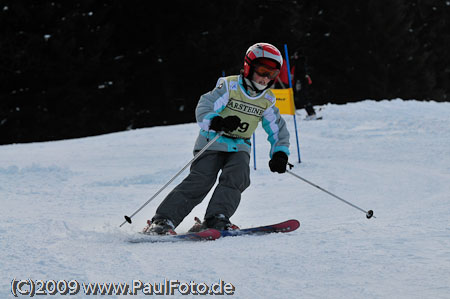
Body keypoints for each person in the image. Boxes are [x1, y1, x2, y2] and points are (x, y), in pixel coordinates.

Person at [143, 42, 291, 235]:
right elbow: (206, 105)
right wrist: (216, 121)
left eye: (271, 75)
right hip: (213, 141)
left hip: (240, 146)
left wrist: (280, 153)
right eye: (262, 71)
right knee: (201, 180)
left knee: (237, 178)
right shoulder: (229, 86)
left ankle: (216, 218)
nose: (265, 78)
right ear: (248, 67)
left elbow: (278, 129)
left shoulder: (268, 100)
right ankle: (163, 220)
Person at [275, 51, 317, 119]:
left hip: (301, 82)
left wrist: (297, 81)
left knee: (303, 97)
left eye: (295, 55)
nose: (294, 57)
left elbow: (299, 74)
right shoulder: (300, 62)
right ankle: (311, 113)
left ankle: (311, 113)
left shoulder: (299, 63)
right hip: (301, 82)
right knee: (303, 97)